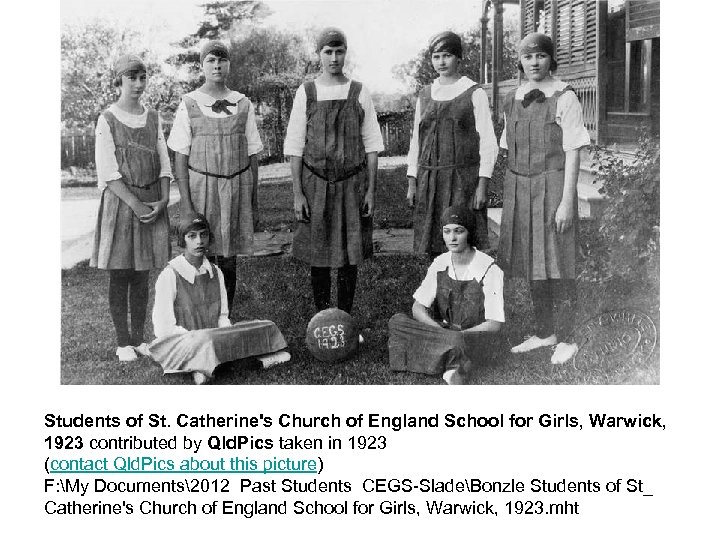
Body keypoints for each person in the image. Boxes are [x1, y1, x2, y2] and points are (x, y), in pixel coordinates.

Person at [497, 33, 591, 365]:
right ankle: (544, 331)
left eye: (540, 56)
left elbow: (573, 153)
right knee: (532, 259)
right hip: (520, 188)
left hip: (553, 186)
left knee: (558, 259)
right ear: (520, 62)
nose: (534, 62)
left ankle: (568, 337)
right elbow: (508, 148)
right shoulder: (512, 99)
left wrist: (567, 201)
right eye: (528, 57)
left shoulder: (565, 98)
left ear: (551, 59)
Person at [284, 27, 384, 316]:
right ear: (319, 55)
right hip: (315, 184)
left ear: (345, 53)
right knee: (319, 255)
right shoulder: (306, 92)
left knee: (348, 256)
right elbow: (294, 145)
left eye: (339, 51)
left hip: (351, 184)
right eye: (328, 52)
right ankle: (322, 319)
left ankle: (344, 319)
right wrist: (297, 193)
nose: (334, 57)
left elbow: (372, 144)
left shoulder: (359, 91)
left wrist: (371, 190)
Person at [167, 40, 263, 311]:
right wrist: (186, 204)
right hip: (202, 191)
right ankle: (201, 319)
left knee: (229, 259)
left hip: (235, 190)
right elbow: (180, 157)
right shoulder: (190, 103)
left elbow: (253, 153)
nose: (217, 65)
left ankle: (225, 316)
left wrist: (253, 199)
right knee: (200, 256)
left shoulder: (242, 104)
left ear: (229, 64)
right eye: (211, 60)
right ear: (202, 65)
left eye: (222, 59)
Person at [90, 54, 172, 362]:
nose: (138, 84)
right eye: (131, 78)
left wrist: (163, 200)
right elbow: (108, 172)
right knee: (121, 272)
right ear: (119, 81)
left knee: (142, 275)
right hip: (122, 205)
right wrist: (136, 205)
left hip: (150, 204)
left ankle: (139, 339)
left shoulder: (153, 117)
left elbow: (164, 161)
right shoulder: (107, 119)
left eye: (142, 78)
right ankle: (122, 341)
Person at [149, 214, 290, 385]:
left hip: (214, 338)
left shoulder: (216, 272)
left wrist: (229, 338)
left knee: (266, 326)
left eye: (204, 234)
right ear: (182, 241)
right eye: (192, 236)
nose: (199, 241)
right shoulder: (170, 275)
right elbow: (163, 328)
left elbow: (223, 317)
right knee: (206, 340)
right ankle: (257, 361)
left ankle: (207, 366)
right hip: (180, 342)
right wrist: (201, 339)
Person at [388, 206, 504, 384]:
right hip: (444, 332)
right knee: (397, 322)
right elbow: (418, 308)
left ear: (469, 233)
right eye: (447, 231)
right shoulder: (440, 262)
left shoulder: (489, 268)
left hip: (474, 337)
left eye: (459, 231)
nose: (453, 238)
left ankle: (442, 357)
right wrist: (439, 330)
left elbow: (494, 325)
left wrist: (460, 335)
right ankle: (454, 364)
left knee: (458, 340)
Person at [406, 31, 498, 256]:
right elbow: (416, 142)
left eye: (446, 55)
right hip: (430, 181)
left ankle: (465, 290)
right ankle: (439, 289)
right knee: (433, 244)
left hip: (462, 182)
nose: (441, 62)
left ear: (458, 58)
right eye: (436, 56)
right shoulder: (426, 94)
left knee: (463, 244)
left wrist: (482, 185)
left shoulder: (473, 93)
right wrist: (412, 181)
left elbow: (488, 142)